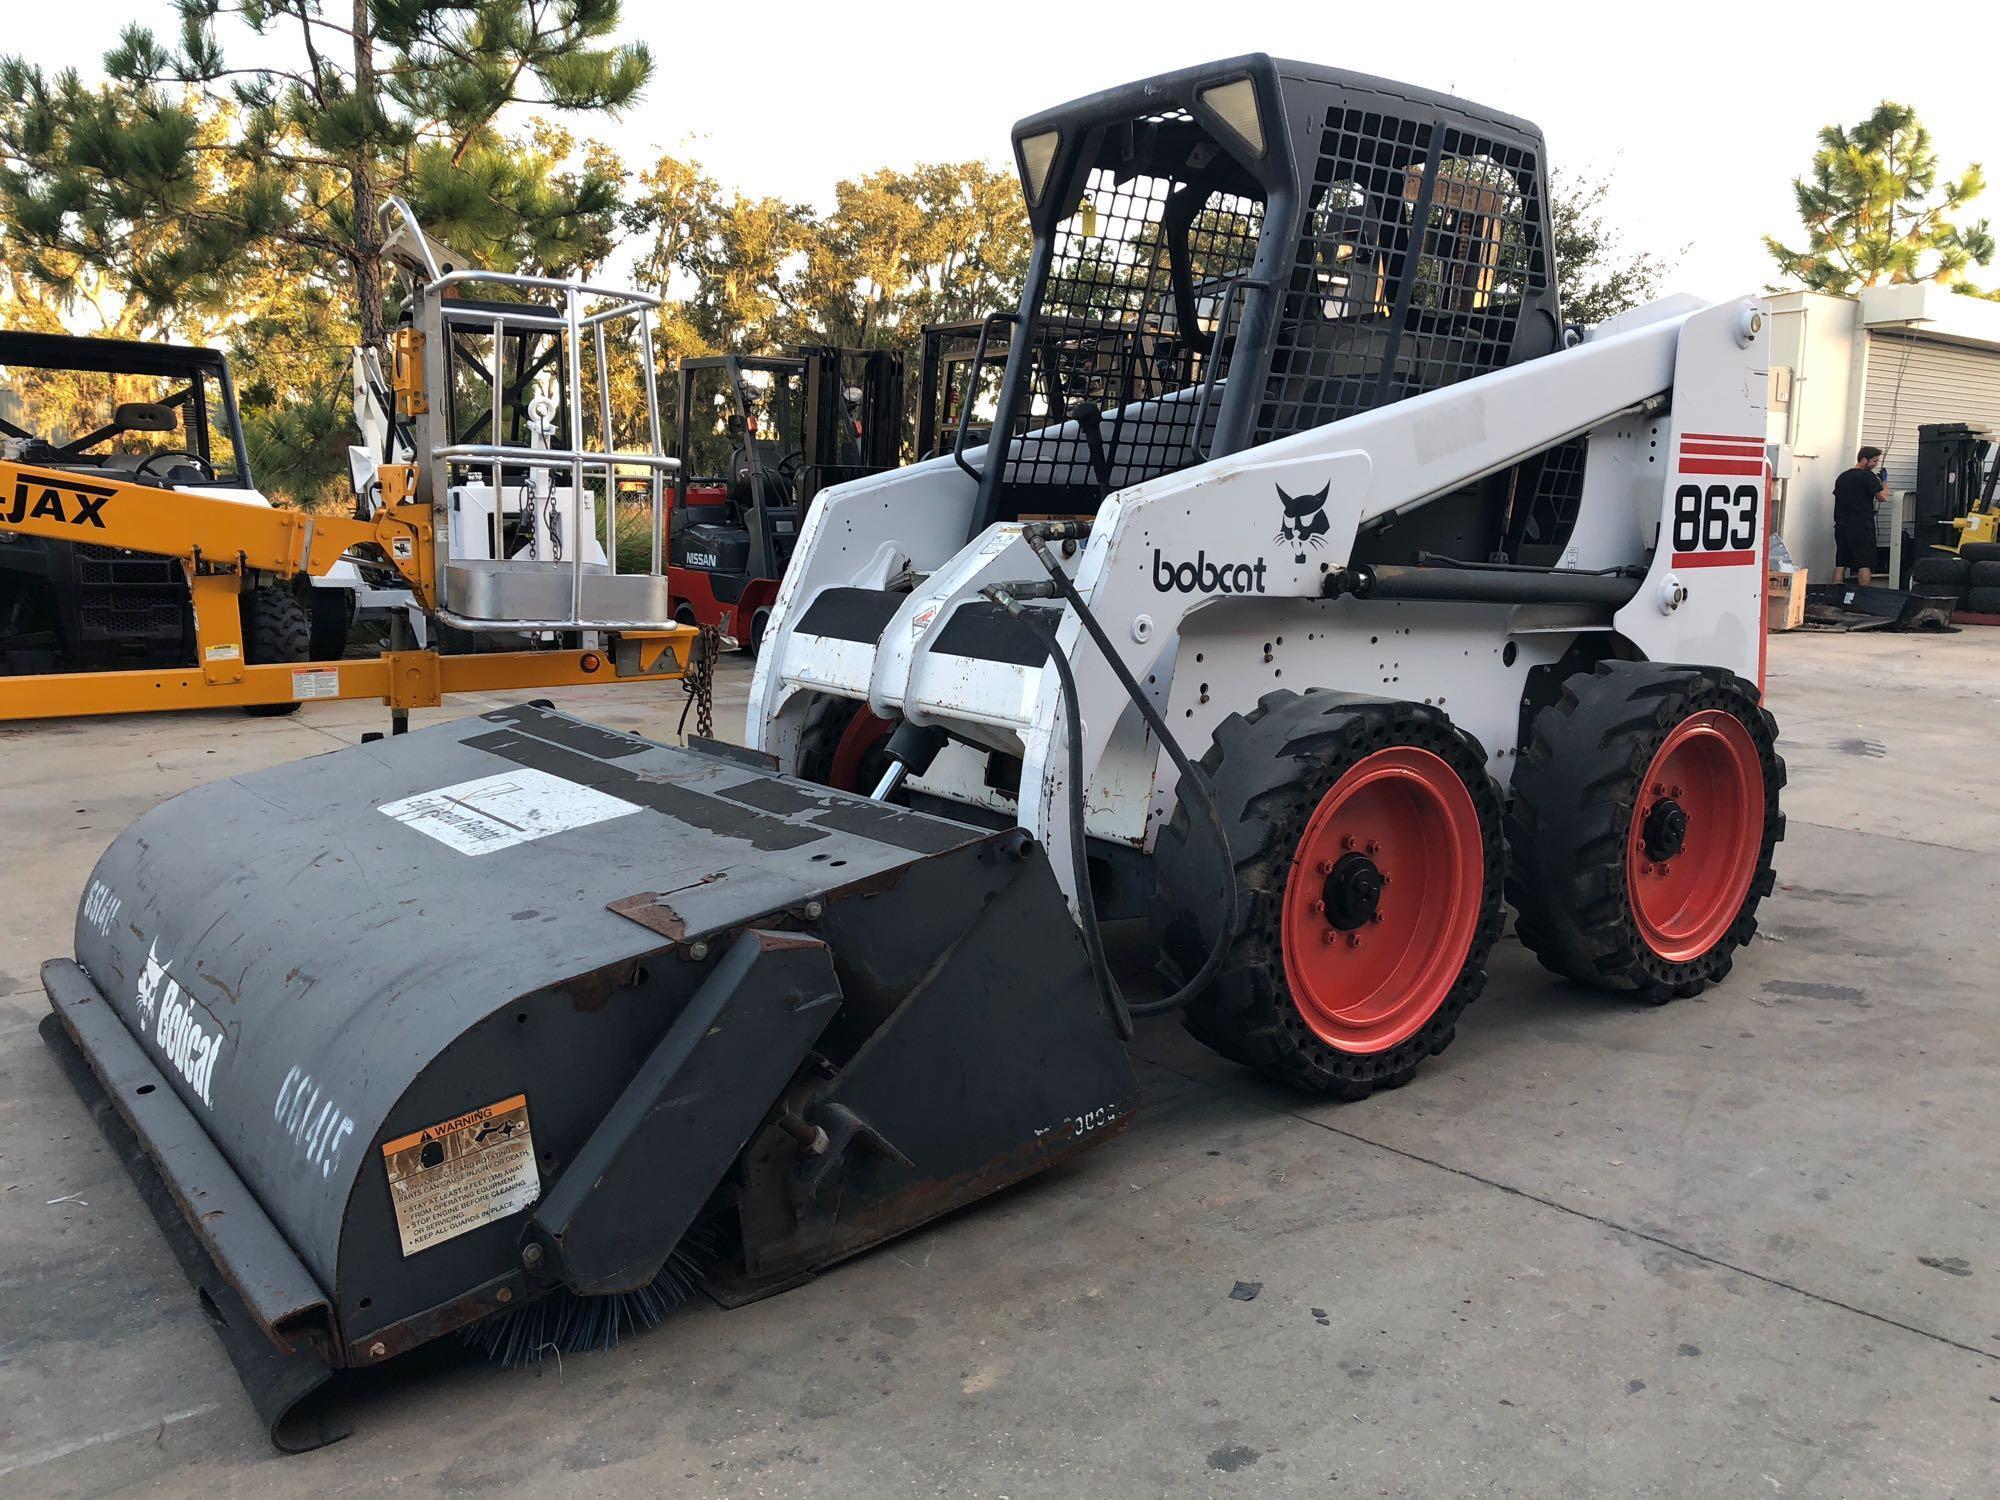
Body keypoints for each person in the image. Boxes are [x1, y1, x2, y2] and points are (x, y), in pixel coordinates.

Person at [1832, 446, 1887, 585]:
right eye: (1874, 461)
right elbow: (1882, 497)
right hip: (1862, 526)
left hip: (1842, 525)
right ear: (1864, 460)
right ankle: (1864, 597)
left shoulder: (1842, 477)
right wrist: (1884, 482)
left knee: (1841, 562)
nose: (1876, 465)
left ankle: (1836, 595)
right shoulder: (1868, 476)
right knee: (1865, 563)